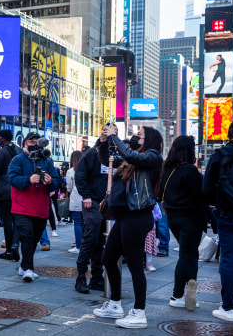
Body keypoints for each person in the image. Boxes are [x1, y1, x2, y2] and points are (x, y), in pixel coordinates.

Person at [93, 126, 163, 329]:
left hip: (137, 217)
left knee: (134, 265)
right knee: (108, 258)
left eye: (139, 135)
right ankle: (115, 304)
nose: (134, 137)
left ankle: (139, 312)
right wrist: (105, 140)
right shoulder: (130, 160)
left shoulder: (152, 157)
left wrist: (115, 135)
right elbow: (107, 159)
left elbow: (129, 154)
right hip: (123, 217)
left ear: (148, 140)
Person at [203, 121, 233, 322]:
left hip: (227, 214)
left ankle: (228, 308)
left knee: (228, 261)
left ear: (229, 135)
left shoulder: (219, 155)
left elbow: (206, 189)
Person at [158, 135, 205, 311]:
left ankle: (189, 290)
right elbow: (202, 194)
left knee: (190, 254)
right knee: (187, 255)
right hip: (191, 218)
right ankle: (178, 294)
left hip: (172, 218)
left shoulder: (166, 169)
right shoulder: (190, 171)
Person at [8, 132, 60, 282]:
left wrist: (51, 182)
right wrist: (28, 179)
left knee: (34, 239)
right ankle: (29, 269)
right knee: (26, 236)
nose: (35, 144)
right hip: (22, 207)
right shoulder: (17, 160)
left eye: (38, 141)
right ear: (25, 143)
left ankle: (24, 266)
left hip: (41, 208)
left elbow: (57, 180)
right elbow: (12, 179)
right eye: (32, 141)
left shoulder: (46, 161)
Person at [74, 135, 109, 294]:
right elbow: (80, 175)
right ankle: (81, 276)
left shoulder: (115, 154)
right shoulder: (92, 153)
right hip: (93, 201)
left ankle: (96, 277)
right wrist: (86, 195)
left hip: (109, 203)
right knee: (90, 237)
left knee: (102, 240)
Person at [0, 129, 21, 261]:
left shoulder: (2, 152)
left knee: (7, 220)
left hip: (5, 190)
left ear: (3, 139)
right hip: (17, 189)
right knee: (16, 220)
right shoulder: (17, 150)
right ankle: (15, 244)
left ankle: (9, 249)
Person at [66, 151, 83, 254]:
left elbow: (69, 187)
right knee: (85, 224)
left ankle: (78, 246)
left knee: (77, 223)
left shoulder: (71, 171)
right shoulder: (87, 170)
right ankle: (85, 246)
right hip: (86, 199)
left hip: (76, 199)